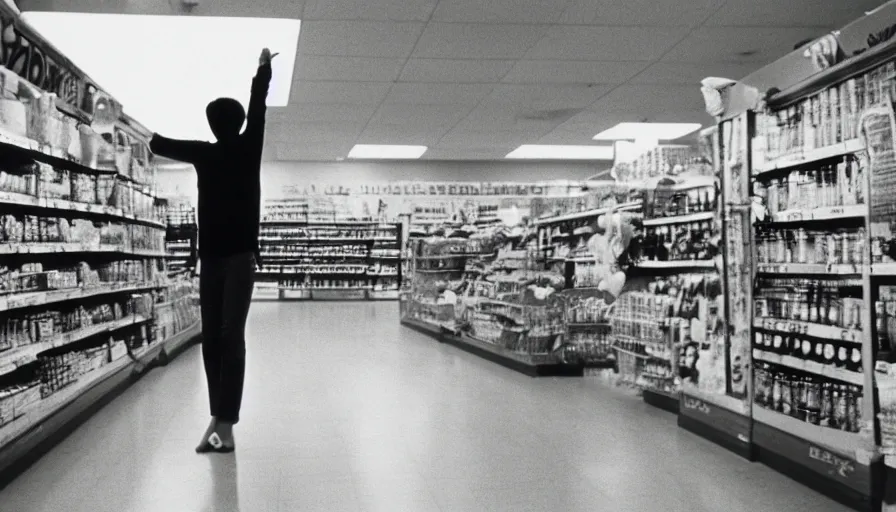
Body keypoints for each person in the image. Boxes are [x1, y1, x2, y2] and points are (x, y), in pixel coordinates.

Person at [150, 48, 277, 453]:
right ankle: (221, 420)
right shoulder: (246, 143)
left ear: (213, 123)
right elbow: (258, 109)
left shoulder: (210, 151)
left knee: (222, 336)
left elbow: (158, 144)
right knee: (222, 336)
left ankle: (224, 421)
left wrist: (122, 116)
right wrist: (262, 71)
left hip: (229, 259)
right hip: (232, 259)